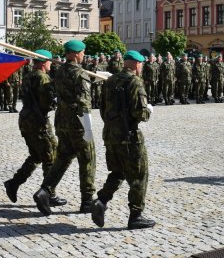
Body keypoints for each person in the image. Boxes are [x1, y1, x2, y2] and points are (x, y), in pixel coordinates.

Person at [91, 50, 155, 230]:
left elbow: (102, 109)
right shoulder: (134, 81)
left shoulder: (110, 81)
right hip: (130, 137)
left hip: (111, 134)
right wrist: (148, 110)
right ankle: (136, 215)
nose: (141, 67)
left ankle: (101, 201)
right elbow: (139, 113)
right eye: (141, 64)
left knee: (118, 172)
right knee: (139, 176)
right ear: (135, 64)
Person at [33, 39, 97, 215]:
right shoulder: (80, 74)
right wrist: (89, 129)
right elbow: (84, 104)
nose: (84, 55)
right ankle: (87, 201)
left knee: (62, 159)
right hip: (78, 124)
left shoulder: (59, 71)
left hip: (62, 122)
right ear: (76, 54)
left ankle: (45, 190)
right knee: (87, 160)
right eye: (83, 52)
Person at [4, 50, 60, 205]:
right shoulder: (43, 78)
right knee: (51, 156)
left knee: (36, 155)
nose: (50, 64)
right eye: (48, 61)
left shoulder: (29, 76)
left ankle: (14, 183)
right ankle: (49, 194)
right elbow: (46, 102)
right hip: (38, 121)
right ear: (43, 63)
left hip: (25, 119)